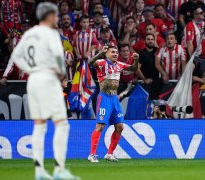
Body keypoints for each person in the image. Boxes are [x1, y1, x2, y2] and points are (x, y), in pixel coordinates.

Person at [10, 2, 79, 179]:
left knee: (39, 125)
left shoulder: (29, 34)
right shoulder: (51, 34)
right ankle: (58, 169)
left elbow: (16, 56)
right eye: (55, 15)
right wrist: (61, 73)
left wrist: (31, 69)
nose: (57, 18)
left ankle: (39, 171)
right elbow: (58, 60)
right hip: (48, 79)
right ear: (49, 16)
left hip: (33, 80)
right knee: (61, 123)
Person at [87, 45, 139, 162]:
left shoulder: (119, 65)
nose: (115, 54)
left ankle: (109, 154)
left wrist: (136, 60)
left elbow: (133, 69)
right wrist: (101, 53)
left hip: (114, 99)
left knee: (120, 127)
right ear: (106, 54)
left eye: (116, 52)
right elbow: (89, 63)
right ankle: (92, 154)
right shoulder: (101, 63)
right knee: (100, 126)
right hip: (104, 97)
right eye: (112, 52)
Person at [182, 7, 205, 75]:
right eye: (201, 13)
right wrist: (192, 58)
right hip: (196, 57)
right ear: (195, 15)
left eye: (202, 12)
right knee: (194, 78)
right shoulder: (190, 25)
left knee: (204, 79)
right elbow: (189, 42)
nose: (203, 14)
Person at [137, 33, 161, 99]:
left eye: (152, 39)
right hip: (145, 84)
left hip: (157, 83)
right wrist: (144, 79)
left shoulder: (158, 51)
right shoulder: (141, 53)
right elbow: (137, 68)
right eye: (148, 39)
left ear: (154, 41)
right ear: (144, 41)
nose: (150, 41)